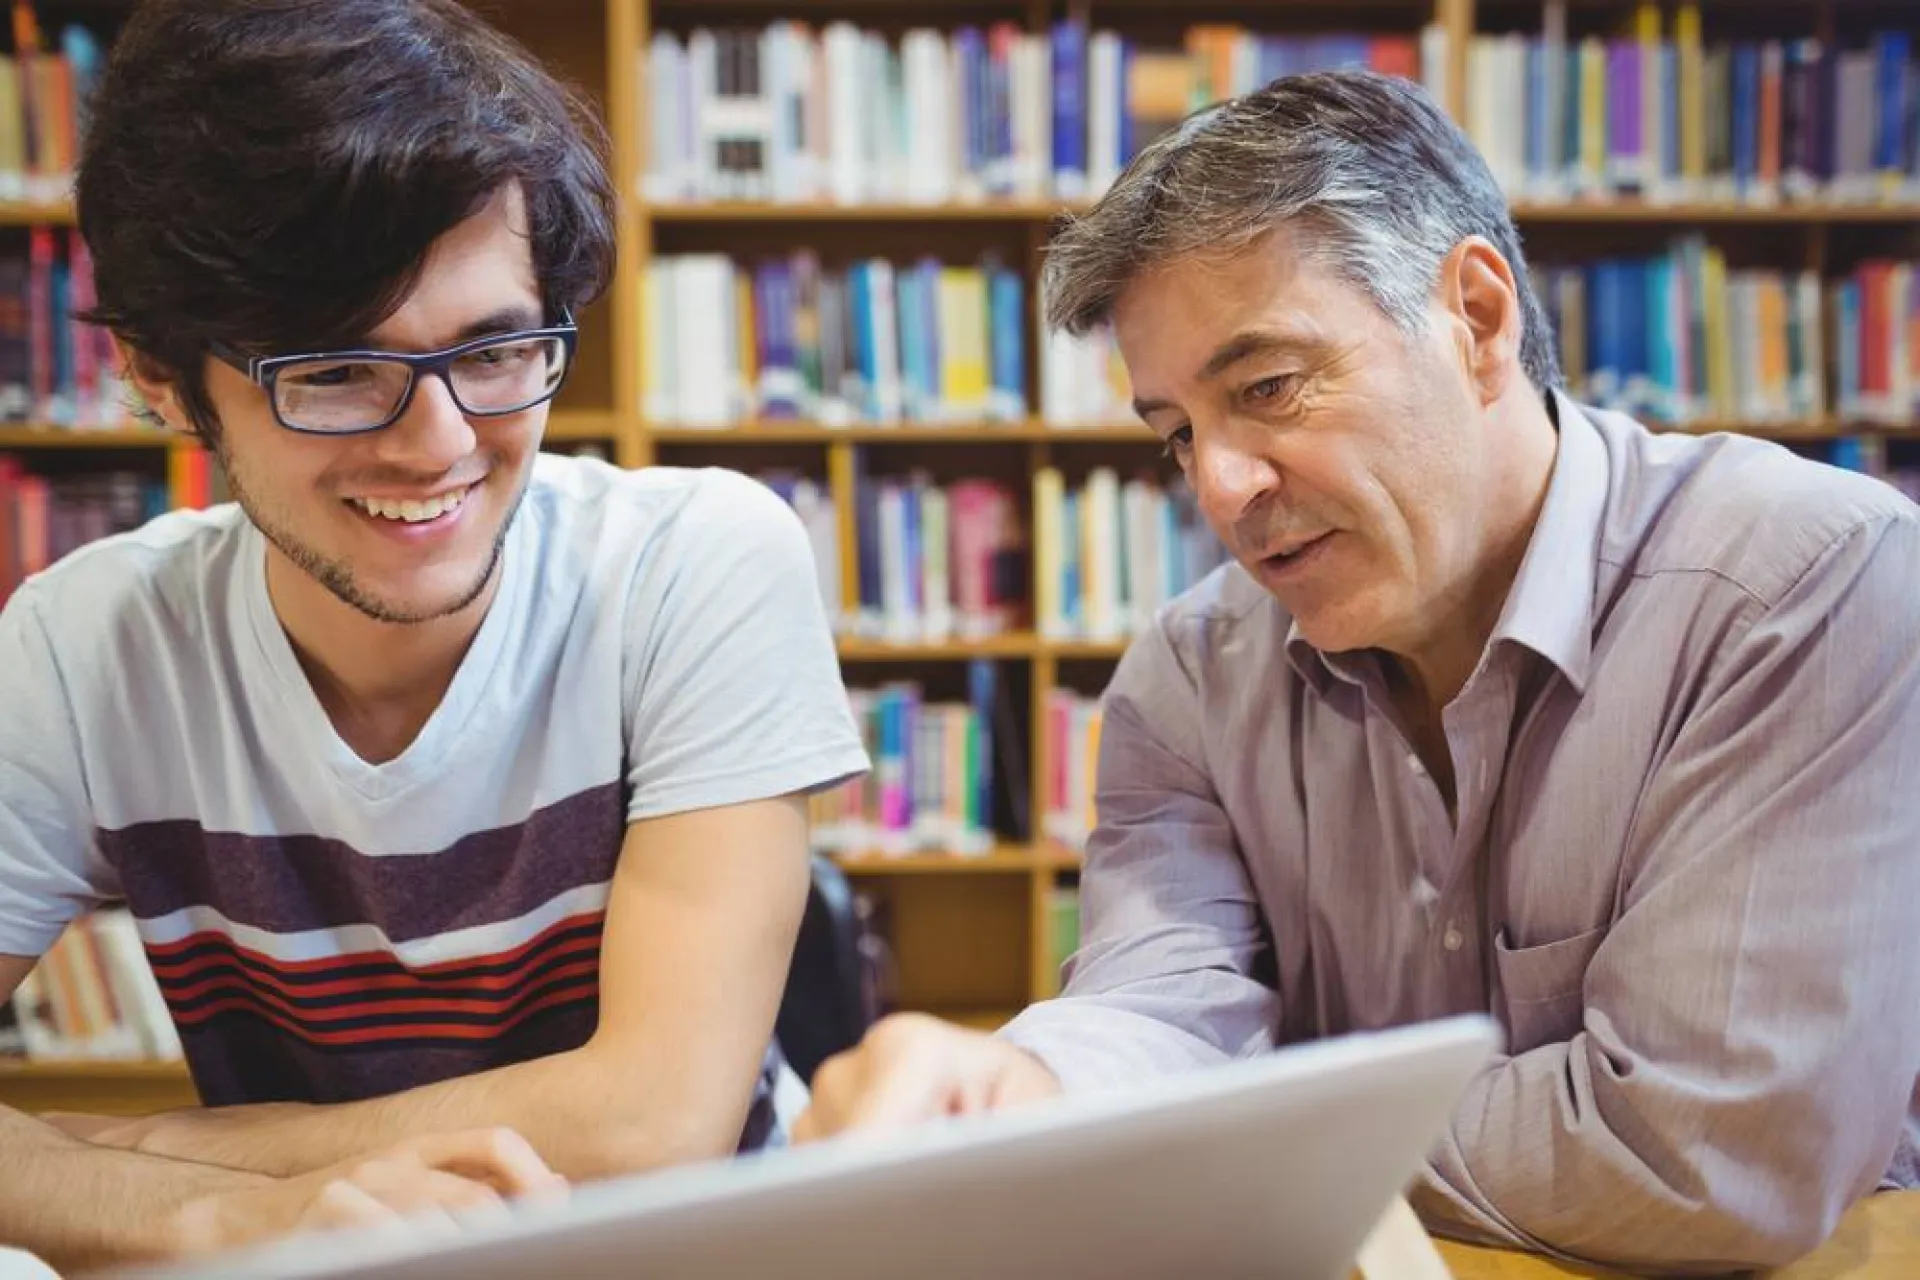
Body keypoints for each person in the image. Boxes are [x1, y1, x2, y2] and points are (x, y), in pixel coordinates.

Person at [794, 69, 1920, 1274]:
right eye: (1178, 433)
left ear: (1477, 320)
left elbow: (1712, 1153)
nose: (1220, 490)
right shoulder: (1190, 671)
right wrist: (1028, 1082)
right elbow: (1163, 1003)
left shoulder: (1804, 583)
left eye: (1268, 388)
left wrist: (1215, 1124)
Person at [0, 0, 866, 1271]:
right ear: (162, 376)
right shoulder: (87, 648)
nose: (441, 442)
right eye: (339, 372)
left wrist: (127, 1157)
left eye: (495, 347)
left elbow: (649, 1127)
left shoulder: (694, 561)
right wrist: (224, 1217)